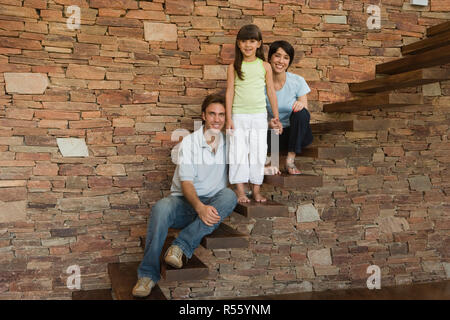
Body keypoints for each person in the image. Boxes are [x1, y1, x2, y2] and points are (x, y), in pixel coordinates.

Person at [132, 94, 237, 298]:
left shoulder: (229, 143)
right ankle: (147, 275)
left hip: (213, 202)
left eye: (222, 115)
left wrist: (270, 167)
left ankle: (180, 247)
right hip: (184, 203)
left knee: (229, 196)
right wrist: (200, 208)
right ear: (203, 116)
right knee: (161, 208)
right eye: (212, 114)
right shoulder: (190, 143)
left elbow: (248, 165)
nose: (217, 119)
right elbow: (186, 183)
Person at [226, 24, 281, 203]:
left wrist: (276, 115)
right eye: (244, 41)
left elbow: (271, 92)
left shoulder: (264, 66)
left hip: (258, 116)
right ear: (238, 44)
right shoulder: (233, 66)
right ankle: (240, 191)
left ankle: (256, 190)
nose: (248, 45)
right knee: (238, 153)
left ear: (259, 44)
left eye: (252, 41)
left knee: (258, 152)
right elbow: (230, 92)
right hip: (238, 115)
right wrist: (228, 119)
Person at [265, 40, 313, 175]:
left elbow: (305, 115)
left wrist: (301, 105)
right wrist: (269, 124)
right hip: (273, 134)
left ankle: (290, 160)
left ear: (289, 62)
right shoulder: (260, 83)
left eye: (286, 58)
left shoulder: (297, 81)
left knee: (301, 112)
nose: (281, 61)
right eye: (277, 55)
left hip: (295, 134)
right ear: (270, 58)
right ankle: (265, 165)